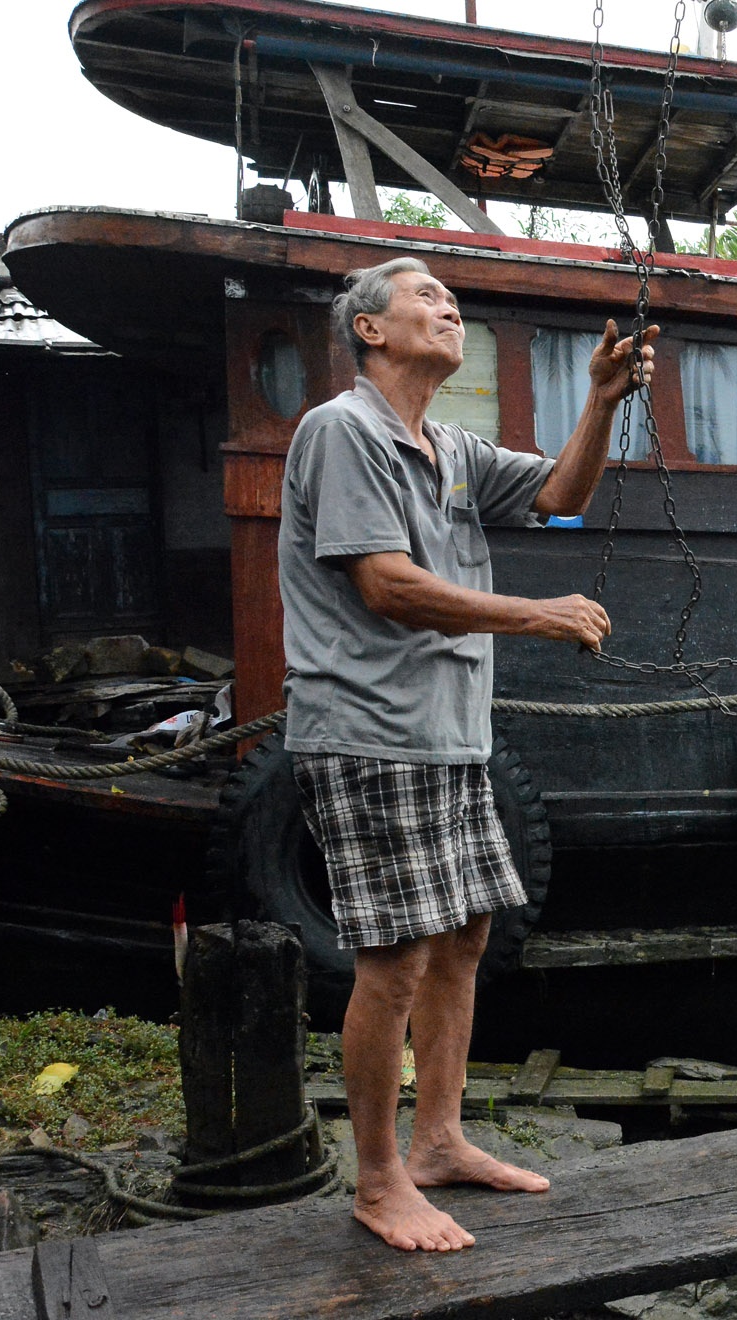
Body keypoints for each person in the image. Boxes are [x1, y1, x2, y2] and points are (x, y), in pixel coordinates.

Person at [279, 256, 651, 1252]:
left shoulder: (446, 446)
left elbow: (562, 496)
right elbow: (387, 587)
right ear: (370, 330)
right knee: (394, 958)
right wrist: (535, 613)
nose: (449, 307)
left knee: (466, 936)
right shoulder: (342, 431)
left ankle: (439, 1140)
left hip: (448, 733)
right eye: (425, 297)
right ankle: (377, 1178)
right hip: (369, 727)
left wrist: (602, 405)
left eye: (452, 298)